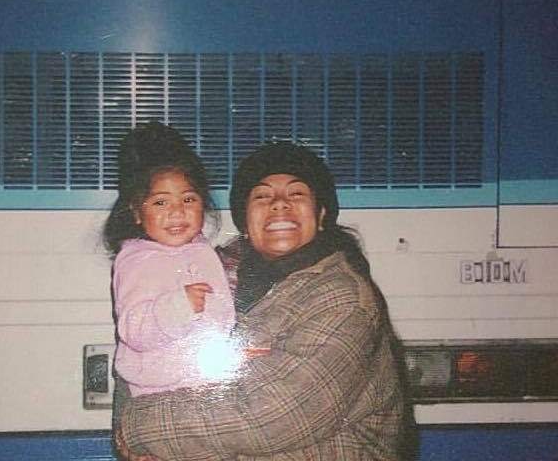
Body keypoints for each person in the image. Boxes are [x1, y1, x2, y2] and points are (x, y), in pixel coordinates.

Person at [114, 142, 416, 460]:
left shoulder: (341, 299)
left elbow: (272, 417)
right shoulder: (213, 274)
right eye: (262, 196)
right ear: (245, 219)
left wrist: (136, 428)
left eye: (296, 194)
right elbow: (138, 350)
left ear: (322, 213)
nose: (279, 205)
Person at [103, 121, 236, 400]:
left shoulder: (202, 250)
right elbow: (133, 331)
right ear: (137, 212)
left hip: (203, 382)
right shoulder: (137, 261)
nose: (177, 212)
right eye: (161, 203)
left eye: (188, 200)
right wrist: (178, 306)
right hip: (159, 391)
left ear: (204, 205)